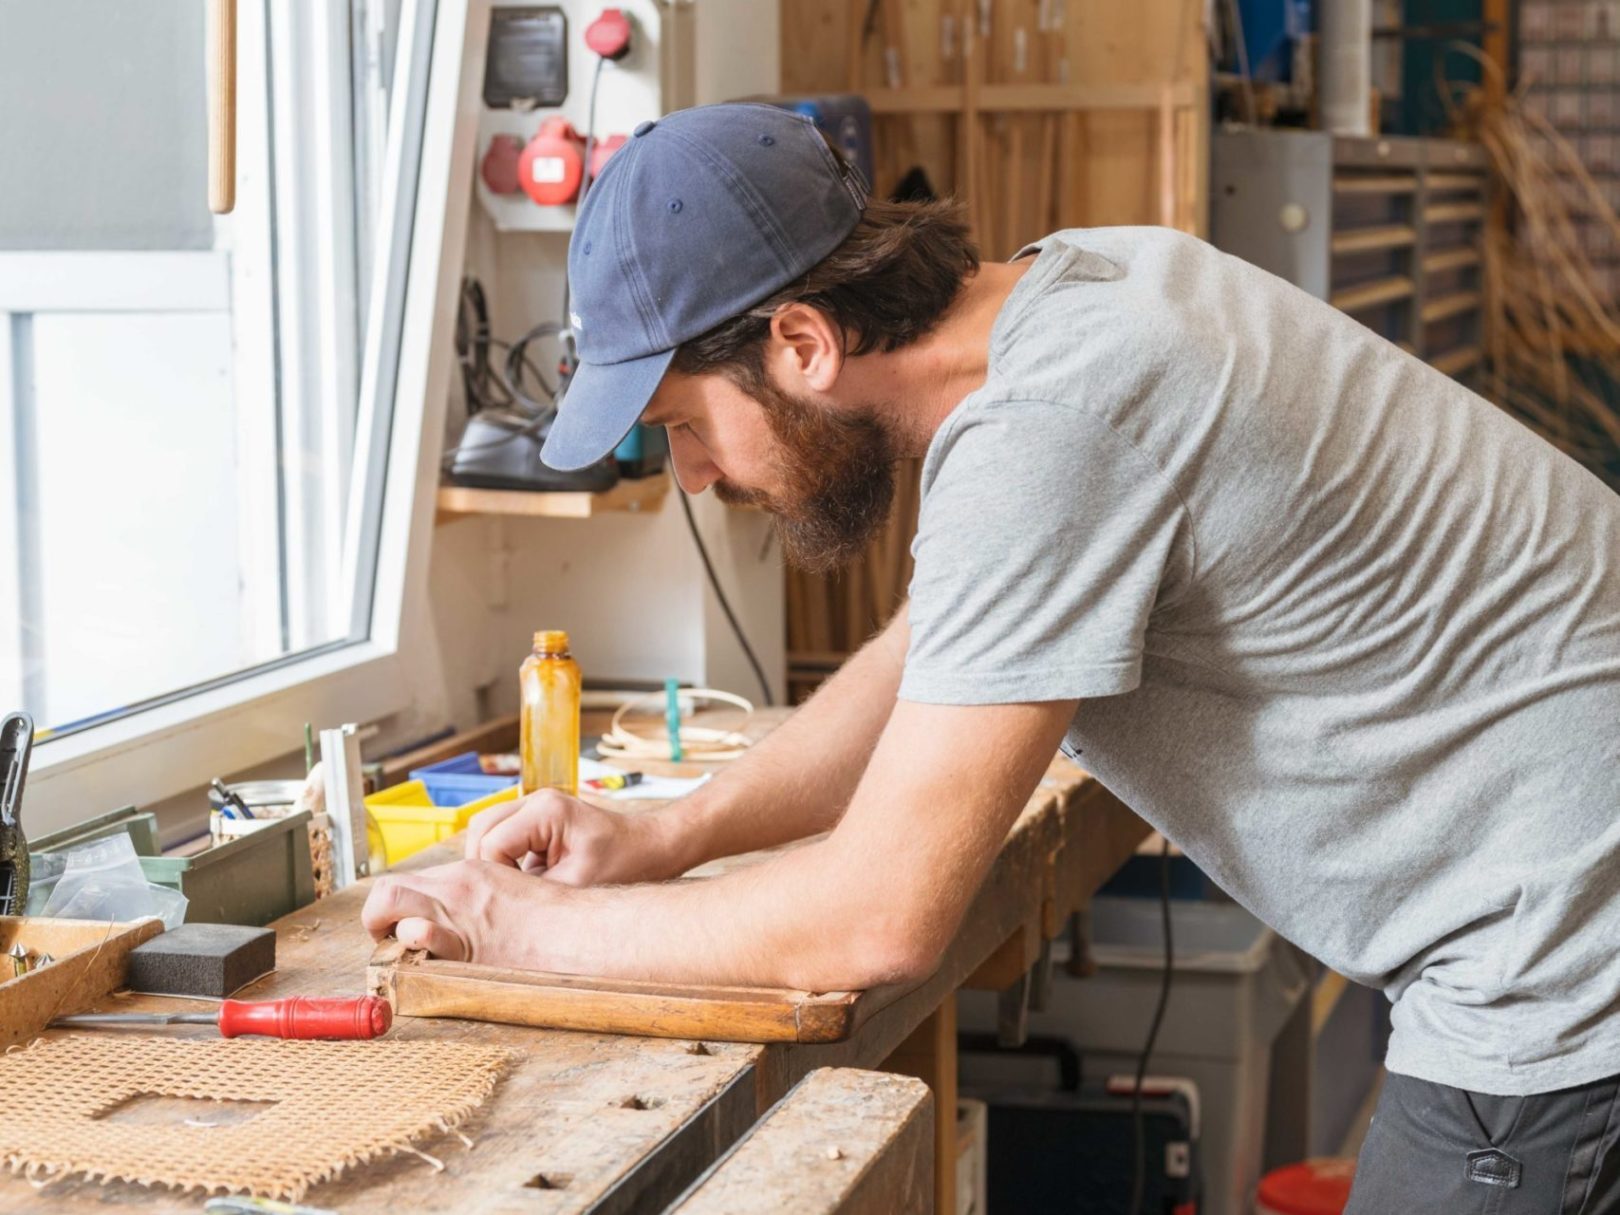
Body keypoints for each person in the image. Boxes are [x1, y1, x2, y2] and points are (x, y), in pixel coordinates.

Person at [363, 103, 1620, 1210]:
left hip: (1559, 953)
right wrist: (673, 835)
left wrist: (505, 925)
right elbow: (948, 639)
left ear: (801, 344)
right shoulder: (1088, 284)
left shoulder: (1049, 425)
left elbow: (878, 921)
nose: (696, 474)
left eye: (687, 425)